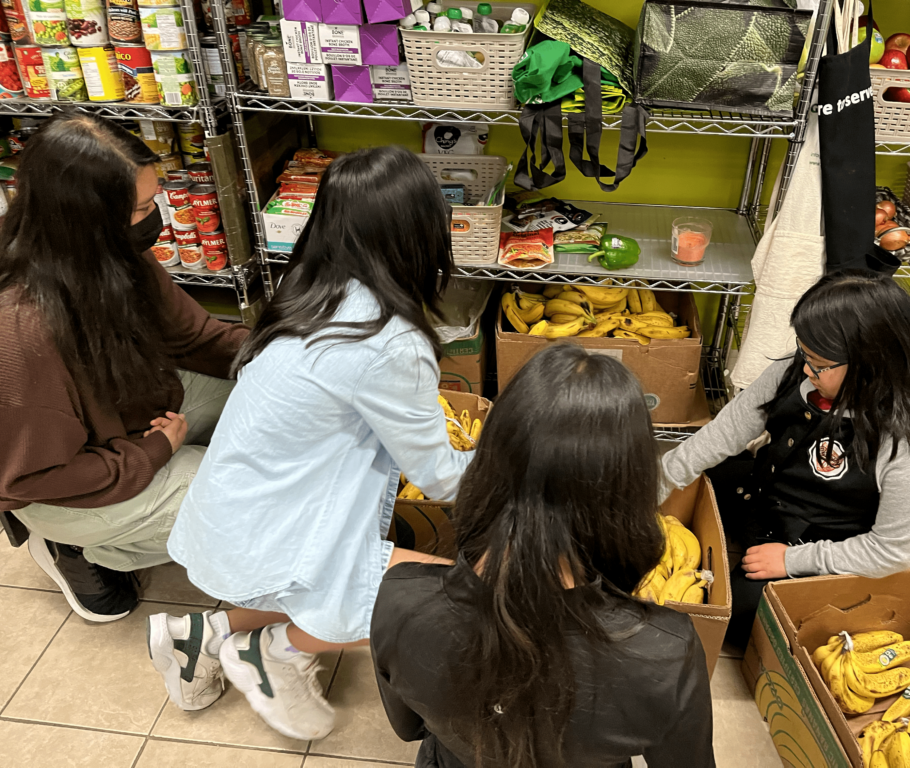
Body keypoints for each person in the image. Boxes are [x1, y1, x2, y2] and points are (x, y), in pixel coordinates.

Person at [149, 145, 473, 742]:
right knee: (448, 601)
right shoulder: (389, 341)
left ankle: (198, 637)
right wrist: (527, 461)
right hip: (277, 527)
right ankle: (275, 653)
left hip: (240, 512)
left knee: (319, 584)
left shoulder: (308, 293)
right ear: (422, 235)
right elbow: (444, 479)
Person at [371, 344, 716, 768]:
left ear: (486, 468)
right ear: (628, 495)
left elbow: (409, 727)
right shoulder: (664, 652)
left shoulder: (399, 600)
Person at [0, 114, 246, 623]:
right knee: (245, 506)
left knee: (265, 393)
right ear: (86, 216)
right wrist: (154, 451)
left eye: (153, 199)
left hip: (128, 416)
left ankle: (147, 510)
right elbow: (32, 475)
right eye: (140, 208)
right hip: (58, 485)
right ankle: (85, 548)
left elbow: (196, 337)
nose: (156, 215)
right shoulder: (20, 330)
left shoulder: (106, 254)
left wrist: (295, 359)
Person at [662, 271, 910, 644]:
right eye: (804, 353)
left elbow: (892, 552)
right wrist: (664, 477)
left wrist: (792, 561)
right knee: (698, 477)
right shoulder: (796, 370)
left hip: (817, 542)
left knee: (730, 622)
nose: (805, 369)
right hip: (763, 491)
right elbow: (727, 431)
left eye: (818, 363)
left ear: (871, 364)